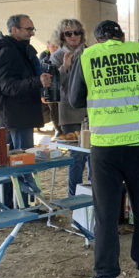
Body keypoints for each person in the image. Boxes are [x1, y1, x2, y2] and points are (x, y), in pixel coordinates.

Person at [69, 20, 139, 278]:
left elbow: (75, 99)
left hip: (105, 149)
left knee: (106, 214)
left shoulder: (87, 55)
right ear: (122, 37)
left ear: (98, 38)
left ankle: (105, 277)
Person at [0, 14, 51, 208]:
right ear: (14, 30)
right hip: (16, 118)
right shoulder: (8, 53)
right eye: (28, 29)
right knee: (21, 163)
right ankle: (21, 207)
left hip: (18, 116)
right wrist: (37, 81)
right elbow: (7, 86)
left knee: (11, 162)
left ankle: (7, 206)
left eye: (33, 29)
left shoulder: (19, 50)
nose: (32, 33)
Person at [49, 19, 90, 196]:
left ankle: (92, 196)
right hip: (69, 111)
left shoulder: (89, 52)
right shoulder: (57, 56)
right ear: (62, 36)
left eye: (77, 32)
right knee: (77, 158)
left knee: (93, 157)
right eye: (68, 33)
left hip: (90, 110)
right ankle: (73, 199)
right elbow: (55, 88)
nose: (73, 36)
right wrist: (64, 68)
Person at [39, 38, 62, 137]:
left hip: (62, 89)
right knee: (53, 110)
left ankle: (62, 128)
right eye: (53, 47)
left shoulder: (64, 59)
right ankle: (58, 129)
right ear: (48, 48)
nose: (55, 49)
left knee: (62, 109)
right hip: (50, 90)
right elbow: (41, 78)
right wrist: (42, 94)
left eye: (57, 47)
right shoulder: (44, 62)